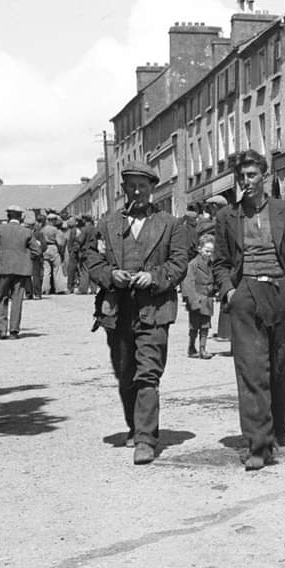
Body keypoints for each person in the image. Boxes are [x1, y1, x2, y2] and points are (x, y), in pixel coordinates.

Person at [86, 162, 190, 465]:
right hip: (117, 311)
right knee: (124, 373)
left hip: (154, 309)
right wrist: (110, 275)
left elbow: (179, 263)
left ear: (152, 189)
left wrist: (155, 278)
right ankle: (135, 425)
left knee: (148, 373)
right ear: (123, 190)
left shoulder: (170, 224)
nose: (136, 191)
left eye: (142, 186)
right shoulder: (107, 225)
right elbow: (92, 260)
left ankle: (145, 439)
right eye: (130, 185)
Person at [213, 150, 285, 469]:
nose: (247, 182)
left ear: (265, 177)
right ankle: (258, 445)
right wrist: (229, 292)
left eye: (252, 175)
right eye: (242, 177)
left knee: (280, 366)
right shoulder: (227, 216)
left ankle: (277, 430)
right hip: (245, 294)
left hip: (281, 291)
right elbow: (221, 263)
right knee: (251, 369)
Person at [0, 206, 41, 339]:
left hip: (3, 268)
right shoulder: (26, 232)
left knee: (2, 297)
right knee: (17, 299)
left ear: (8, 216)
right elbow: (37, 251)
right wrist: (26, 258)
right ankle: (14, 330)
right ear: (20, 217)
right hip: (21, 269)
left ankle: (1, 329)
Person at [182, 232, 217, 359]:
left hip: (207, 299)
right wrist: (192, 300)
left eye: (211, 251)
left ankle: (203, 349)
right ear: (199, 249)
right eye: (207, 251)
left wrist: (215, 289)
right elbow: (188, 283)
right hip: (196, 299)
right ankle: (191, 347)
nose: (209, 254)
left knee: (205, 325)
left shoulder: (212, 264)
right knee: (194, 326)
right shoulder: (193, 264)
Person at [41, 213, 64, 294]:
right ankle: (59, 288)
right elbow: (60, 243)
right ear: (54, 220)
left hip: (45, 249)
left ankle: (45, 289)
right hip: (53, 248)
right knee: (57, 269)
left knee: (46, 270)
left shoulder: (43, 229)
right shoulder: (55, 230)